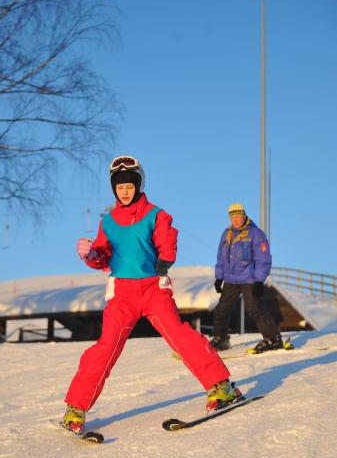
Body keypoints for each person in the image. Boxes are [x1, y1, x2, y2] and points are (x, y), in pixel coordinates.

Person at [61, 155, 243, 434]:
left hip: (152, 288)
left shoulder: (156, 214)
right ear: (114, 189)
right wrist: (90, 254)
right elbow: (103, 257)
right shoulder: (108, 223)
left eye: (130, 185)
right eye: (119, 186)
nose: (124, 190)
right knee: (106, 347)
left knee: (178, 334)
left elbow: (167, 238)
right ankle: (76, 408)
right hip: (121, 292)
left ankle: (221, 386)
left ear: (139, 184)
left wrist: (166, 257)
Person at [211, 202, 285, 353]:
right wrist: (219, 277)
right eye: (233, 217)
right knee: (222, 308)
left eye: (239, 216)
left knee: (254, 307)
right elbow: (221, 258)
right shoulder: (227, 234)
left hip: (249, 278)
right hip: (231, 279)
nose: (236, 220)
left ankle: (273, 339)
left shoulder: (255, 234)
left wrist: (259, 280)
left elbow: (263, 258)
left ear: (244, 216)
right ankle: (221, 338)